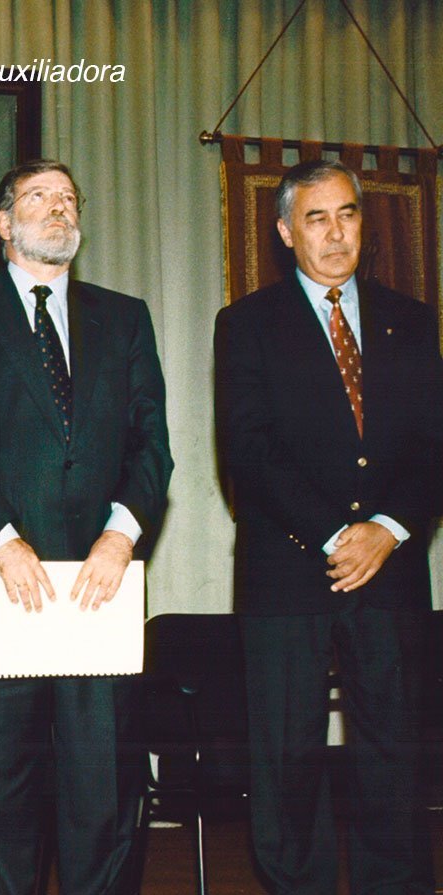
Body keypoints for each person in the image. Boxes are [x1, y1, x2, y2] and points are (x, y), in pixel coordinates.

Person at [0, 159, 173, 894]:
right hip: (5, 584)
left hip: (102, 584)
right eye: (39, 197)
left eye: (68, 198)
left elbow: (151, 445)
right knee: (2, 792)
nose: (59, 208)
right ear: (4, 223)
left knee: (104, 785)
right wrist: (2, 543)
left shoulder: (125, 318)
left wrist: (121, 535)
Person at [214, 158, 443, 894]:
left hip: (392, 569)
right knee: (287, 759)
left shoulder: (412, 321)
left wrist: (387, 528)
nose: (336, 232)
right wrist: (339, 535)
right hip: (286, 570)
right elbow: (248, 451)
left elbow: (433, 446)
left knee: (394, 755)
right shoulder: (246, 324)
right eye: (317, 218)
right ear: (286, 232)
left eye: (347, 214)